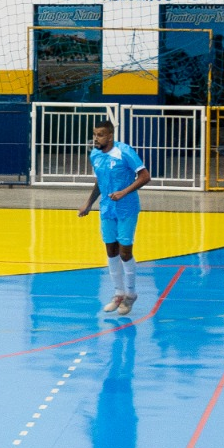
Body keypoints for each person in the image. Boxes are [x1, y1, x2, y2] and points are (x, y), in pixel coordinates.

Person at [78, 119, 150, 317]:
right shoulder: (95, 155)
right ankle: (118, 293)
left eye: (100, 135)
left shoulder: (124, 152)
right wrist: (89, 203)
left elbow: (145, 176)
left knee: (125, 252)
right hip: (107, 208)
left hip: (126, 208)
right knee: (111, 250)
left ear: (110, 136)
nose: (96, 138)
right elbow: (100, 181)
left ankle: (131, 294)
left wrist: (123, 192)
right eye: (94, 134)